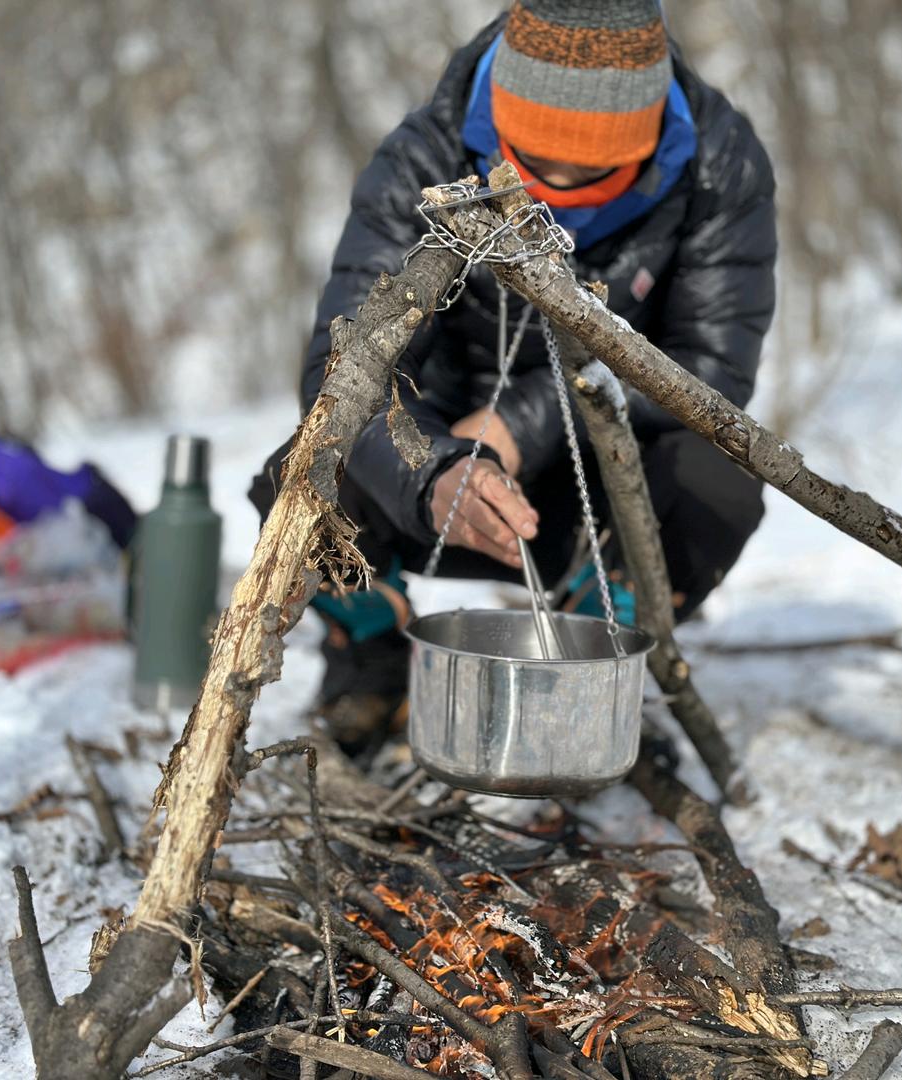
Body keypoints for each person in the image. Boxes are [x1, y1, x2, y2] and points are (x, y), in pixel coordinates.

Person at [250, 0, 776, 754]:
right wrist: (433, 471)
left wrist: (519, 427)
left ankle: (598, 653)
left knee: (716, 482)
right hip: (442, 461)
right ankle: (371, 653)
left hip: (600, 479)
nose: (555, 187)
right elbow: (346, 369)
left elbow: (711, 373)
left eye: (595, 173)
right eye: (530, 159)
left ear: (648, 134)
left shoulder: (718, 164)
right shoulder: (423, 156)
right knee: (298, 479)